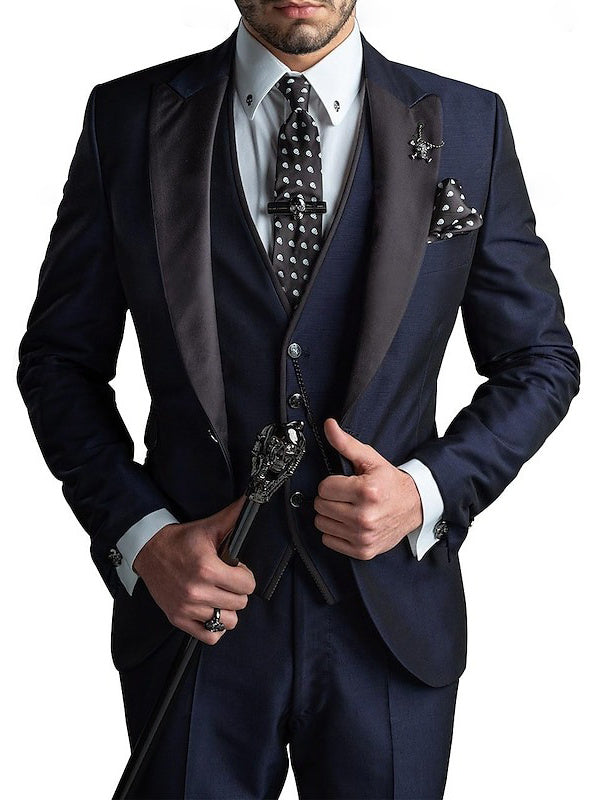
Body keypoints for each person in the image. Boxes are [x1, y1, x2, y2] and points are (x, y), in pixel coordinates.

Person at [16, 1, 580, 797]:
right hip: (195, 616)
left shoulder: (469, 124)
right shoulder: (127, 118)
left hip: (389, 625)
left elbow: (539, 361)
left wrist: (424, 492)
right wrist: (143, 539)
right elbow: (59, 362)